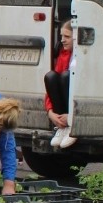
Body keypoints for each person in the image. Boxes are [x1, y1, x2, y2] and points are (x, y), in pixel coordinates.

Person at [44, 19, 77, 149]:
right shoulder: (64, 54)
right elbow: (51, 89)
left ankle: (71, 126)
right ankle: (61, 126)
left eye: (67, 37)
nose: (62, 40)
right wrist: (50, 112)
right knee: (50, 76)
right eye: (61, 36)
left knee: (66, 76)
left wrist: (73, 115)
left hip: (74, 106)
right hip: (62, 107)